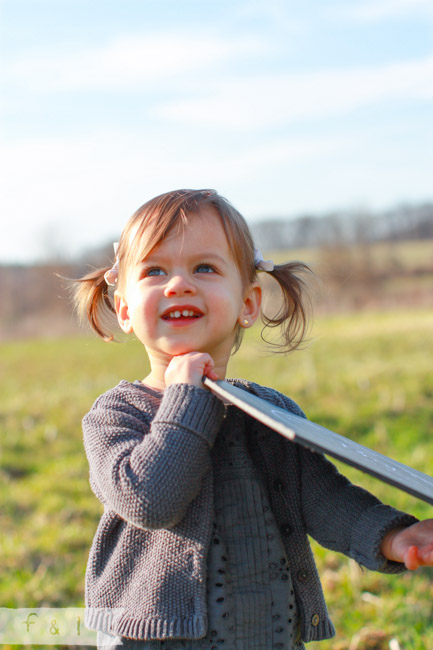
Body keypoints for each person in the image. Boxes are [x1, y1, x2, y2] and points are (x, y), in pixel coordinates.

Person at [74, 189, 433, 650]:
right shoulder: (114, 415)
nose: (178, 284)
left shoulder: (269, 413)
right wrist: (187, 396)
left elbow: (324, 500)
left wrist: (392, 537)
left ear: (248, 303)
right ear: (124, 309)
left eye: (205, 268)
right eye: (154, 271)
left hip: (267, 634)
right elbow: (149, 501)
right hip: (151, 640)